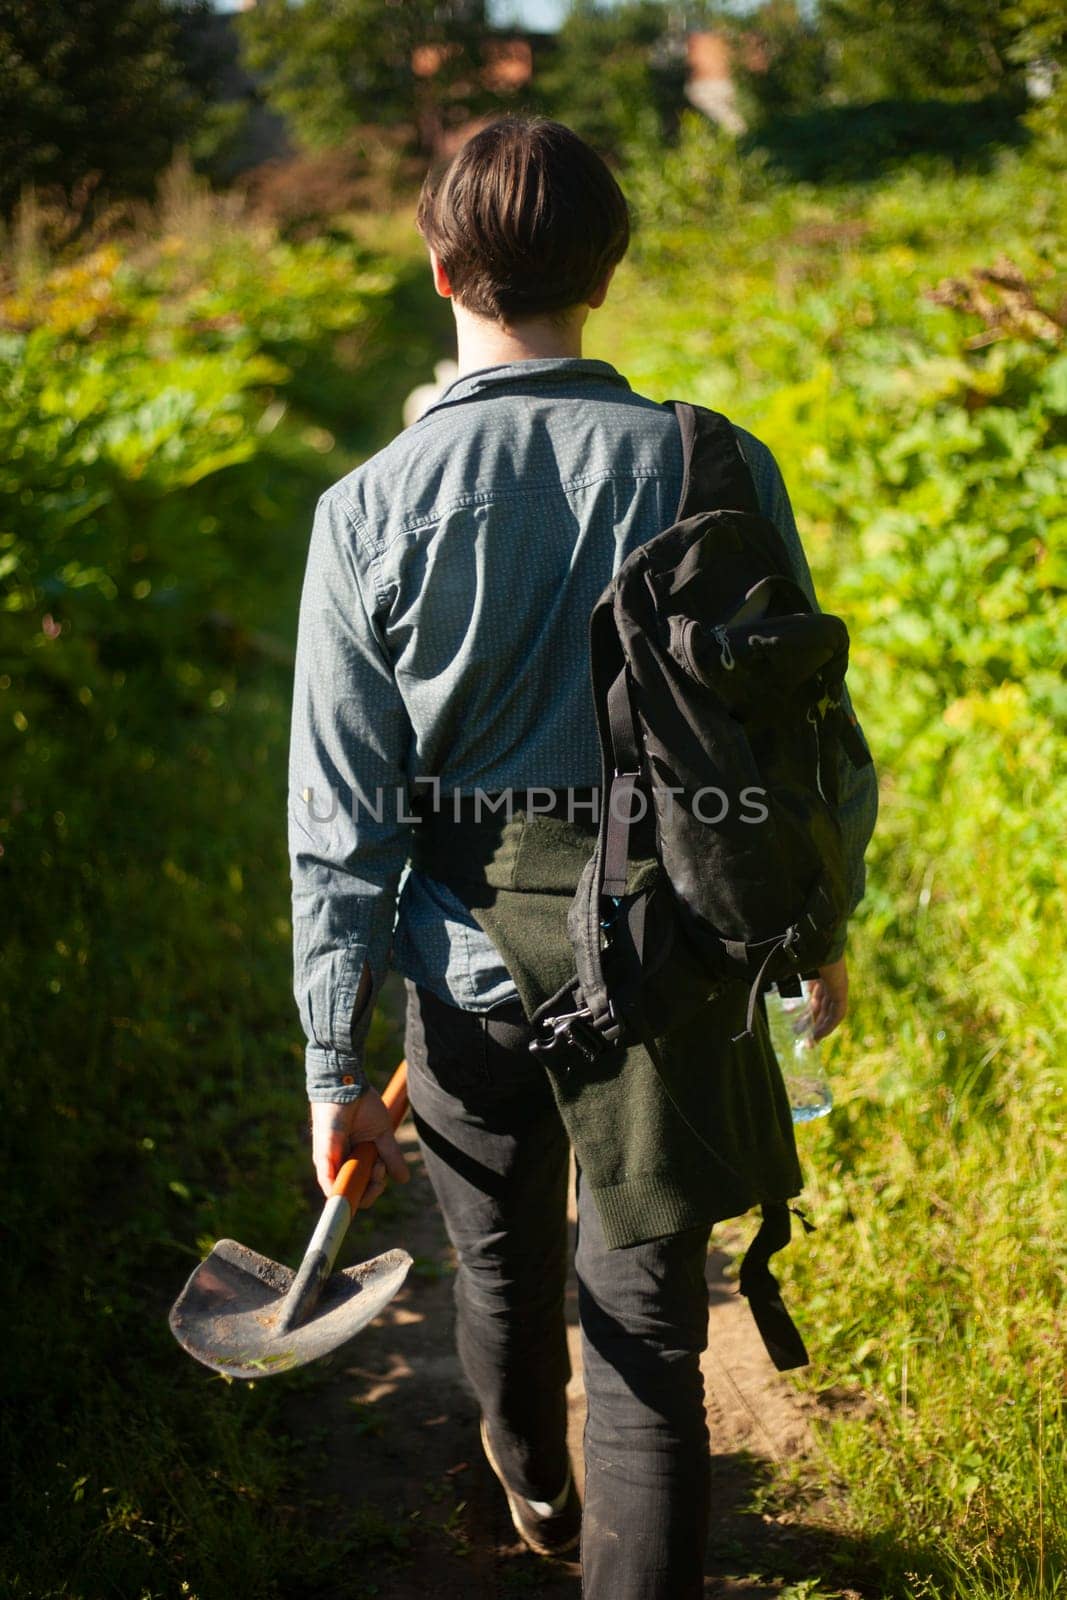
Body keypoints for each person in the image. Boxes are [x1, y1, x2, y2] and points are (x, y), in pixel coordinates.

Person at [288, 116, 877, 1598]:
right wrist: (820, 923)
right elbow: (800, 730)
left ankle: (535, 1493)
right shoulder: (713, 461)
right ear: (606, 274)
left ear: (439, 272)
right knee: (654, 1332)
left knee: (501, 1270)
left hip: (466, 964)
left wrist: (332, 1066)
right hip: (674, 945)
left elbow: (341, 819)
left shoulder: (366, 511)